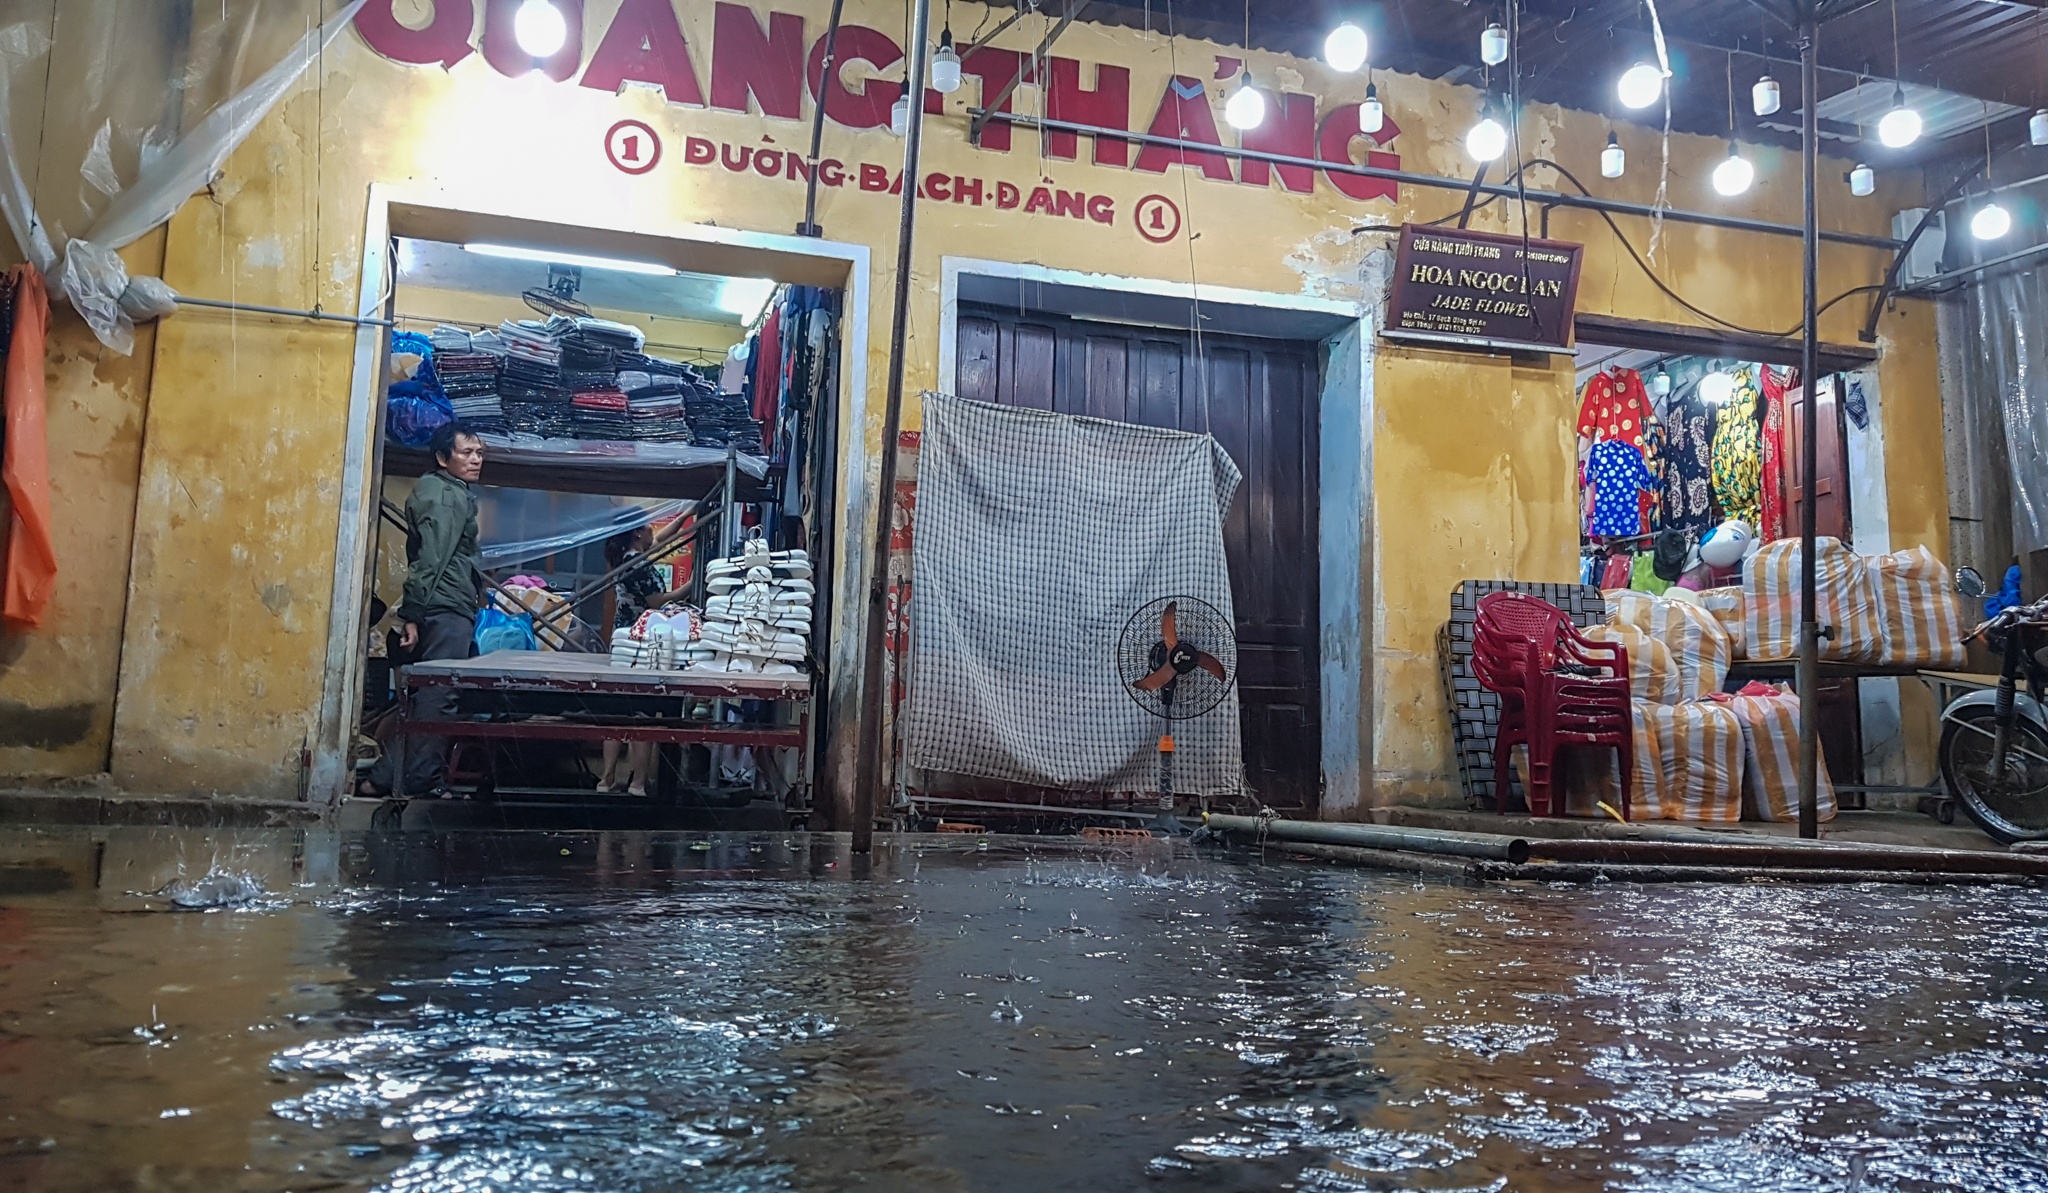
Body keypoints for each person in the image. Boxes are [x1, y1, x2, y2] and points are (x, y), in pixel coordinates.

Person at [362, 420, 486, 797]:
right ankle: (420, 780)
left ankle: (383, 778)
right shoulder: (445, 497)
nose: (476, 459)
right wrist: (412, 613)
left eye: (480, 452)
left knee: (430, 699)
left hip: (445, 604)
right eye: (466, 452)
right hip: (445, 607)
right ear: (441, 457)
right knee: (439, 699)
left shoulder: (445, 491)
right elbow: (431, 559)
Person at [596, 523, 688, 796]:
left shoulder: (625, 557)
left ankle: (606, 778)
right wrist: (694, 584)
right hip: (642, 642)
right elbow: (658, 602)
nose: (652, 532)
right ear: (637, 533)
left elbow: (660, 538)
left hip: (621, 642)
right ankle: (637, 782)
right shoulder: (639, 564)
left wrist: (688, 514)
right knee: (643, 714)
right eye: (648, 528)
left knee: (617, 712)